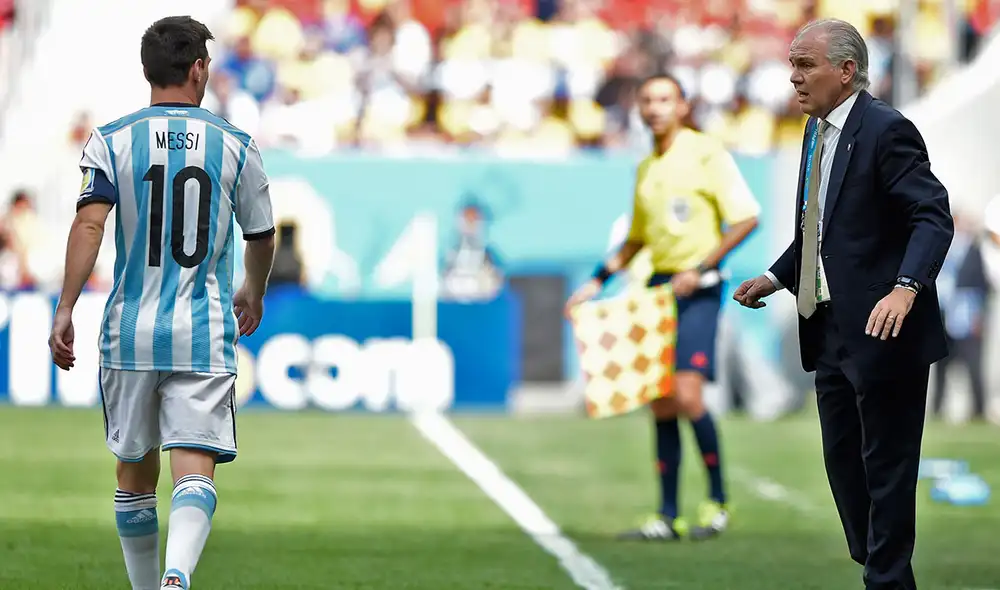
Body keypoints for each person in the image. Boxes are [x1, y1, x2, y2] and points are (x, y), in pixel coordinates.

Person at [47, 16, 276, 590]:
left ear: (148, 70)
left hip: (130, 331)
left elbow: (90, 225)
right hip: (202, 331)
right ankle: (177, 577)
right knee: (194, 467)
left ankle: (149, 588)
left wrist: (66, 307)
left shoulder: (111, 139)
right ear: (199, 68)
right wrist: (254, 290)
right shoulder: (236, 145)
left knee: (133, 475)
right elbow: (262, 234)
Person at [733, 19, 952, 590]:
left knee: (887, 469)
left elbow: (931, 215)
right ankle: (878, 565)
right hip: (829, 327)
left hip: (885, 332)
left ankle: (886, 580)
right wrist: (776, 276)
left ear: (846, 71)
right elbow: (821, 230)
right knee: (844, 468)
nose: (793, 78)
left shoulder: (887, 129)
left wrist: (906, 287)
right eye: (792, 64)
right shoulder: (815, 132)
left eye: (805, 65)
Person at [566, 73, 761, 541]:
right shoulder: (646, 168)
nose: (655, 108)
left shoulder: (705, 153)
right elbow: (636, 238)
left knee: (688, 394)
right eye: (647, 100)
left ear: (682, 105)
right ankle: (668, 514)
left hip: (699, 286)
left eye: (664, 99)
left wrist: (700, 265)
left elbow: (746, 218)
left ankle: (717, 502)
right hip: (659, 288)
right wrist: (597, 279)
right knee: (660, 401)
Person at [932, 213, 990, 420]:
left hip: (967, 318)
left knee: (973, 365)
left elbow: (982, 287)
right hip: (943, 315)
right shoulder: (942, 251)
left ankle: (979, 410)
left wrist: (978, 316)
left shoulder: (973, 252)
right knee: (941, 366)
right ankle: (937, 409)